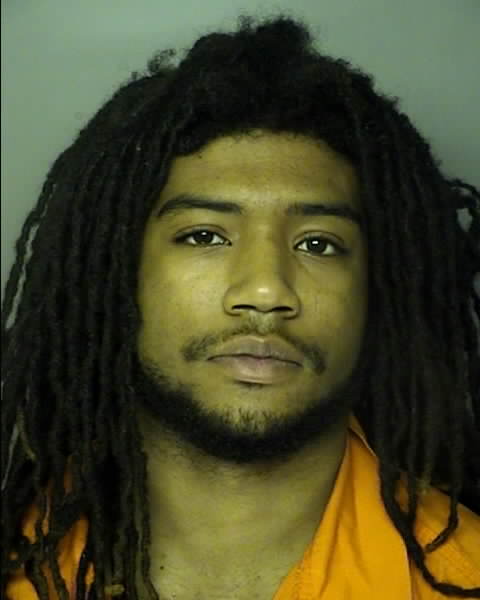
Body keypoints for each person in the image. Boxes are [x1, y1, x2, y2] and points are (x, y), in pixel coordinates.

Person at [2, 13, 480, 600]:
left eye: (318, 244)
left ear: (379, 291)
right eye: (204, 236)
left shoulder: (465, 578)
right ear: (115, 274)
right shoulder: (17, 567)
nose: (266, 291)